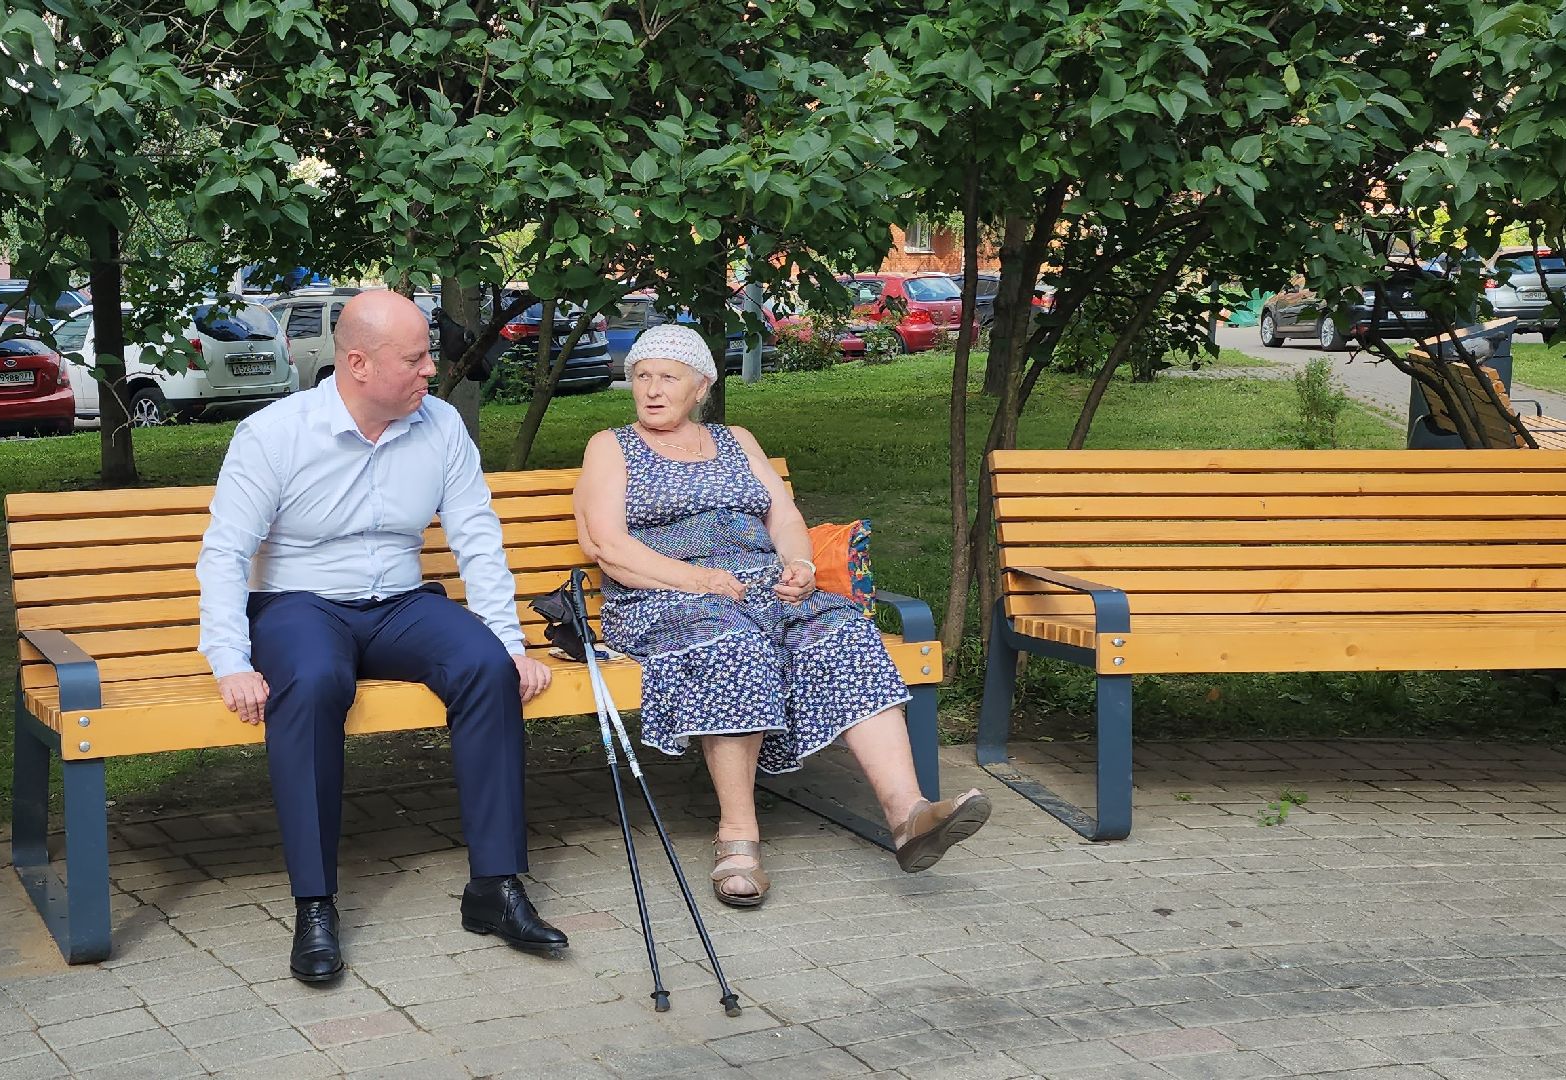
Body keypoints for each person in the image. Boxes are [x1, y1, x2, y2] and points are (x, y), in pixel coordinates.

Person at [197, 290, 567, 984]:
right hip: (300, 605)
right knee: (313, 681)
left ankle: (494, 886)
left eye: (429, 355)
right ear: (358, 363)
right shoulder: (274, 434)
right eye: (415, 358)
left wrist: (510, 642)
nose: (432, 369)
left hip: (401, 603)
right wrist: (229, 659)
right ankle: (314, 904)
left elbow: (476, 538)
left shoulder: (441, 426)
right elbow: (225, 552)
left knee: (485, 667)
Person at [572, 324, 990, 908]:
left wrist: (799, 565)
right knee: (733, 647)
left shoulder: (736, 439)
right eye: (642, 376)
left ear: (701, 387)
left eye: (668, 377)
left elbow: (785, 517)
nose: (652, 389)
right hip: (663, 596)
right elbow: (606, 544)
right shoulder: (612, 446)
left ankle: (910, 816)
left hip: (762, 590)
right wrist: (698, 579)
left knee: (844, 631)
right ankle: (737, 839)